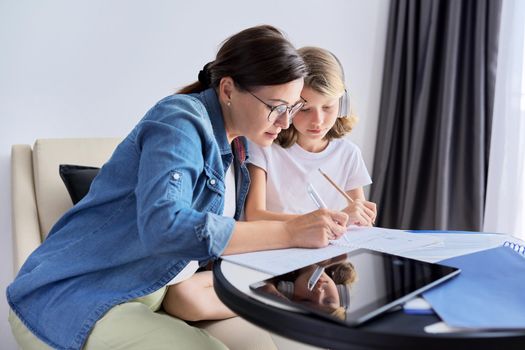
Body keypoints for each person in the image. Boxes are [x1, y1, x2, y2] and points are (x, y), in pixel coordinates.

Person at [6, 26, 350, 350]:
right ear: (228, 89)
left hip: (145, 289)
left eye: (292, 108)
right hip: (73, 297)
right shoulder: (180, 122)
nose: (286, 122)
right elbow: (166, 226)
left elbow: (210, 247)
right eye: (276, 107)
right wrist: (289, 232)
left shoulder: (236, 150)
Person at [244, 46, 377, 226]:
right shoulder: (264, 146)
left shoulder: (349, 154)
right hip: (278, 249)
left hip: (327, 251)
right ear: (288, 106)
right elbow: (254, 215)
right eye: (305, 109)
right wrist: (330, 218)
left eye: (327, 107)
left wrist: (361, 217)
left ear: (342, 104)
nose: (317, 121)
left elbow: (361, 223)